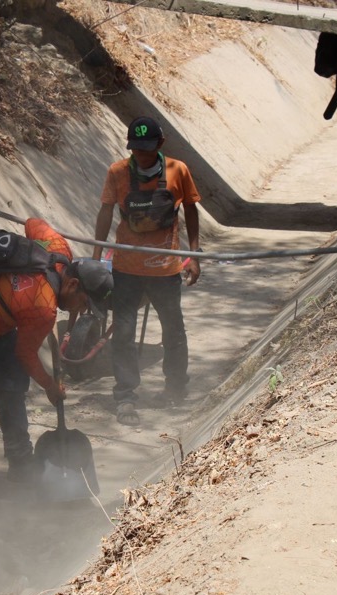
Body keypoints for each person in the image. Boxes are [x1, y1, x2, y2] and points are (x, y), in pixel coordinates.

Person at [0, 218, 113, 516]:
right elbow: (26, 354)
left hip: (0, 324)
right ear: (73, 284)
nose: (82, 311)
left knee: (12, 388)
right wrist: (50, 386)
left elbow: (33, 223)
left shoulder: (59, 249)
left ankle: (21, 466)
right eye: (84, 304)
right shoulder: (42, 307)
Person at [92, 116, 201, 427]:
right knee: (123, 333)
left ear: (160, 144)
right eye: (136, 149)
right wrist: (97, 258)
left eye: (147, 149)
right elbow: (105, 211)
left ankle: (175, 387)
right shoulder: (117, 172)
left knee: (173, 331)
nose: (141, 154)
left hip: (165, 270)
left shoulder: (178, 170)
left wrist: (193, 256)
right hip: (126, 269)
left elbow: (191, 209)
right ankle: (125, 395)